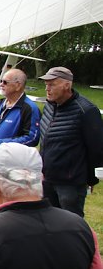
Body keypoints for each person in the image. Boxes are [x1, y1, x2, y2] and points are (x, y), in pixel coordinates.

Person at [38, 66, 103, 218]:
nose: (47, 89)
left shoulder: (86, 110)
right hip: (46, 179)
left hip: (70, 183)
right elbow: (45, 140)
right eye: (46, 84)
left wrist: (90, 179)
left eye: (52, 84)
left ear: (67, 85)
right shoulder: (49, 105)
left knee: (69, 224)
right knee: (46, 222)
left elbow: (96, 148)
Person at [0, 68, 40, 212]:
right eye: (1, 81)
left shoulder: (28, 108)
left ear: (18, 85)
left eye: (5, 82)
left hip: (11, 171)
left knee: (7, 211)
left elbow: (32, 138)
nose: (1, 84)